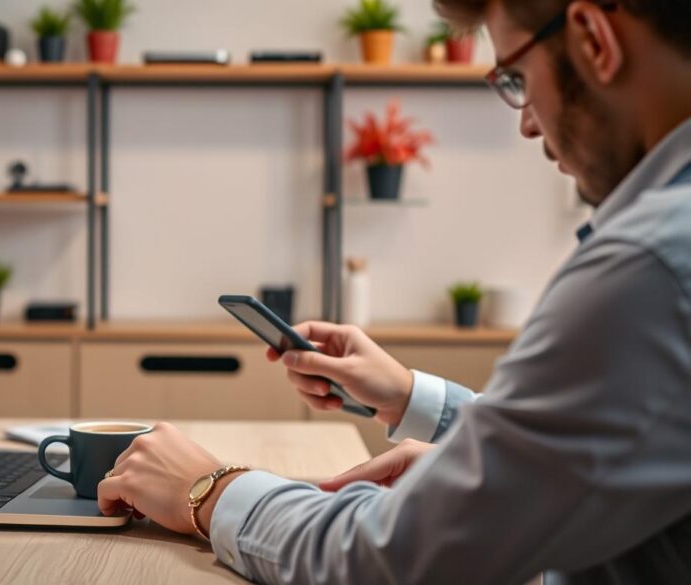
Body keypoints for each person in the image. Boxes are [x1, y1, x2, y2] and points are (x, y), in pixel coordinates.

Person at [97, 0, 691, 582]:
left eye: (516, 76)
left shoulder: (650, 268)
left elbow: (386, 559)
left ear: (593, 39)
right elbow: (595, 440)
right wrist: (411, 397)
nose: (528, 122)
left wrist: (208, 490)